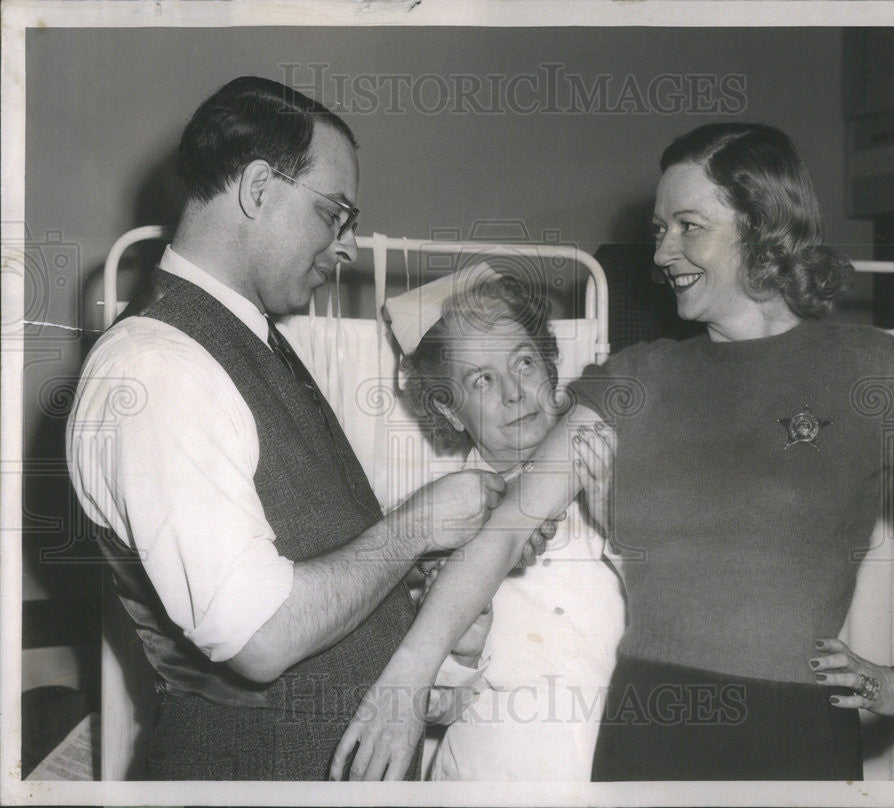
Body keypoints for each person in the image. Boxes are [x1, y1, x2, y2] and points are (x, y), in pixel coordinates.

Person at [330, 122, 894, 782]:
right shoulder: (636, 377)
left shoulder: (877, 371)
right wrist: (404, 682)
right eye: (659, 229)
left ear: (762, 222)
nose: (663, 252)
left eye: (688, 226)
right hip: (645, 734)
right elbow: (503, 530)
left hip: (792, 734)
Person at [66, 76, 545, 780]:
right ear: (259, 188)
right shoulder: (156, 367)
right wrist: (416, 525)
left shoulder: (253, 345)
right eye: (335, 215)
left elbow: (313, 571)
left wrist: (425, 618)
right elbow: (259, 635)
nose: (347, 246)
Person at [383, 265, 625, 780]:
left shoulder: (612, 468)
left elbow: (682, 620)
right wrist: (465, 649)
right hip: (495, 775)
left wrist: (616, 524)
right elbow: (436, 707)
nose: (514, 393)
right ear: (449, 411)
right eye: (482, 380)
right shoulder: (430, 529)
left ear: (550, 370)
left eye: (523, 363)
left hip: (614, 765)